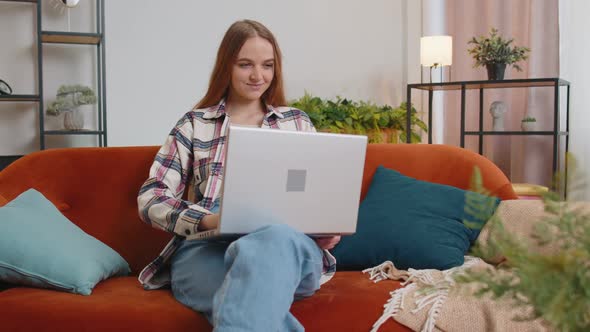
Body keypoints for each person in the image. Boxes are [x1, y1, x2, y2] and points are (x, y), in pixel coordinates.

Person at [137, 19, 341, 331]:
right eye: (245, 64)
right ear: (226, 66)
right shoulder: (195, 124)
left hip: (286, 244)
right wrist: (207, 220)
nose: (258, 76)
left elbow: (318, 195)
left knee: (273, 239)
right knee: (246, 296)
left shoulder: (297, 123)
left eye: (267, 65)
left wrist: (324, 225)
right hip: (208, 249)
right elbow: (151, 197)